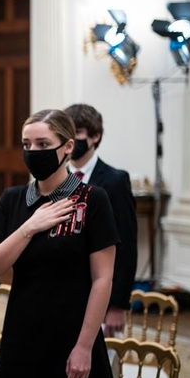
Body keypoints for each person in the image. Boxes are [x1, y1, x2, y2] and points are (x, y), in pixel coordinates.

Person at [0, 109, 120, 378]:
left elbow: (103, 279)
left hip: (72, 336)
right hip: (22, 336)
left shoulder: (92, 200)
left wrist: (84, 346)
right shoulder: (13, 199)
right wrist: (29, 227)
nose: (33, 151)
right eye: (26, 144)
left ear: (68, 146)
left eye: (43, 143)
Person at [64, 103, 138, 337]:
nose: (71, 141)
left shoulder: (115, 181)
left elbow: (125, 244)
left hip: (100, 288)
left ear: (94, 136)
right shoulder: (57, 178)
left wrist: (117, 304)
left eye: (78, 133)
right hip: (65, 289)